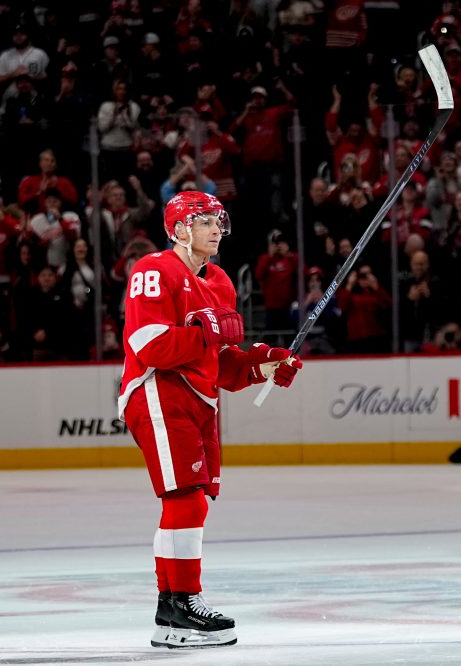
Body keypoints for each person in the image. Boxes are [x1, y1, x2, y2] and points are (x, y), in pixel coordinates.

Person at [117, 191, 302, 649]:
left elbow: (218, 363)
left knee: (189, 500)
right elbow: (149, 345)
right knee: (186, 497)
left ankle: (171, 611)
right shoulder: (153, 270)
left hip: (199, 399)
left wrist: (261, 364)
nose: (217, 229)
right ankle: (184, 603)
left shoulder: (220, 282)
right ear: (180, 228)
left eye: (219, 221)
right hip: (157, 388)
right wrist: (208, 333)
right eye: (205, 221)